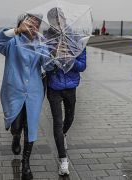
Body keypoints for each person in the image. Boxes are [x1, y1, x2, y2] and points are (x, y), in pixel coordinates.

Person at [0, 13, 50, 180]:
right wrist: (17, 30)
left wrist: (54, 55)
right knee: (17, 125)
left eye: (36, 25)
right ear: (22, 24)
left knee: (30, 126)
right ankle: (15, 136)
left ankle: (26, 163)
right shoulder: (12, 42)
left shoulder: (41, 44)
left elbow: (48, 65)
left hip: (34, 92)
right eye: (29, 23)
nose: (33, 27)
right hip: (14, 90)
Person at [45, 7, 87, 176]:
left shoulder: (76, 38)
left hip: (71, 87)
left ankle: (62, 136)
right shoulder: (46, 39)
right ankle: (63, 160)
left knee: (69, 118)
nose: (57, 22)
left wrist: (68, 58)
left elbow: (82, 66)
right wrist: (54, 57)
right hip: (54, 86)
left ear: (64, 18)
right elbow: (44, 66)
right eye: (53, 20)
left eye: (59, 18)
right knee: (57, 122)